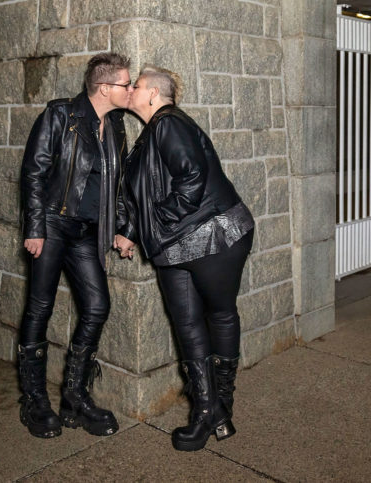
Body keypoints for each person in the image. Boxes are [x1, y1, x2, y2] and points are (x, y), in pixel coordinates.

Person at [114, 64, 254, 452]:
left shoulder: (168, 123)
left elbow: (192, 179)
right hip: (176, 246)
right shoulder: (150, 133)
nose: (131, 90)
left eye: (136, 86)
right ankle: (208, 412)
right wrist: (130, 229)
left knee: (220, 314)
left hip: (214, 236)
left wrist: (150, 225)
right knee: (187, 325)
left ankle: (221, 405)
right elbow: (142, 191)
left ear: (154, 94)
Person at [16, 52, 132, 439]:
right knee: (40, 307)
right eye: (125, 84)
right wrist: (34, 227)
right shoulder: (60, 116)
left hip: (87, 232)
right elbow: (34, 171)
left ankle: (74, 396)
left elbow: (119, 185)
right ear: (104, 87)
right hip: (51, 225)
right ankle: (33, 399)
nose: (129, 90)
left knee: (98, 306)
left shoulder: (116, 125)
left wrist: (119, 227)